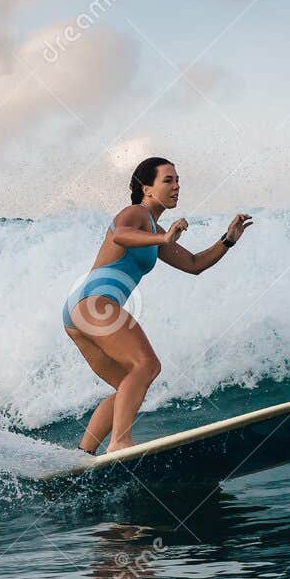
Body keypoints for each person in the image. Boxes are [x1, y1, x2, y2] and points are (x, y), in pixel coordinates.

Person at [62, 157, 252, 454]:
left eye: (178, 180)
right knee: (146, 366)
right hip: (95, 302)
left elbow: (194, 264)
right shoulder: (135, 213)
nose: (176, 186)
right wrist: (162, 236)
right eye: (168, 180)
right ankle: (119, 442)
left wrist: (228, 240)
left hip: (78, 312)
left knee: (128, 383)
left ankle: (82, 455)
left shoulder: (153, 230)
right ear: (146, 188)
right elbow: (121, 234)